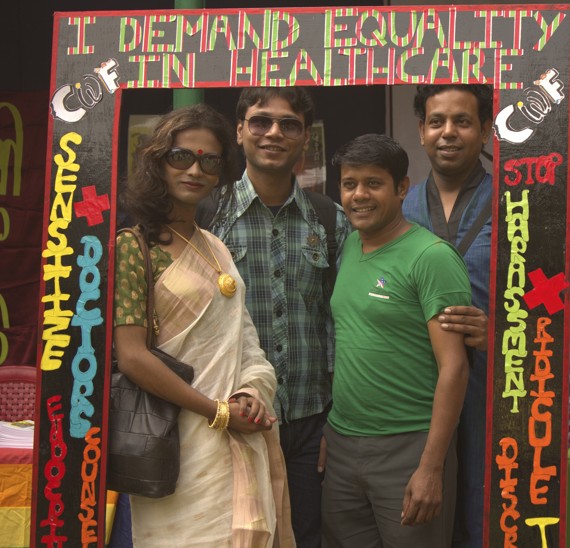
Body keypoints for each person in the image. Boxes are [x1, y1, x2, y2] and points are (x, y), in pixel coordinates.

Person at [113, 103, 294, 547]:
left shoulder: (214, 247)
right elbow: (133, 357)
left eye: (209, 161)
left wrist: (250, 393)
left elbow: (246, 341)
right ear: (158, 161)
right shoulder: (134, 247)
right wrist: (217, 412)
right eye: (182, 157)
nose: (195, 169)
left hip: (237, 436)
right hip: (175, 442)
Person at [196, 87, 351, 548]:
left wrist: (336, 420)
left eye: (289, 124)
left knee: (303, 536)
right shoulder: (205, 217)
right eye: (261, 121)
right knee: (230, 537)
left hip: (309, 421)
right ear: (240, 130)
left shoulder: (331, 220)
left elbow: (341, 322)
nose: (274, 133)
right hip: (227, 416)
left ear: (305, 138)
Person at [322, 134, 472, 547]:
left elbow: (454, 368)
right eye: (350, 184)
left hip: (408, 448)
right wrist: (332, 434)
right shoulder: (350, 245)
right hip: (342, 445)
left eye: (373, 183)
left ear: (402, 188)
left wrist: (431, 466)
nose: (359, 195)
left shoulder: (431, 257)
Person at [401, 84, 494, 548]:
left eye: (463, 121)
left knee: (484, 504)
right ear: (421, 131)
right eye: (437, 121)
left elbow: (546, 305)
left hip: (492, 386)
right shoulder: (400, 209)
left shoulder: (519, 204)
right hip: (418, 386)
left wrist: (498, 332)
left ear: (485, 130)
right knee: (422, 511)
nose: (448, 133)